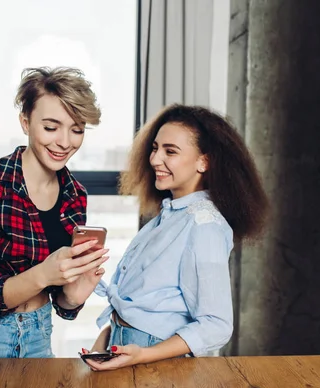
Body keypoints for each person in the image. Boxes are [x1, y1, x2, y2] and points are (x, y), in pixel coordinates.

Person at [82, 104, 269, 370]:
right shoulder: (171, 213)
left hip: (154, 363)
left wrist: (142, 355)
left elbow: (216, 325)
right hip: (126, 352)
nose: (155, 159)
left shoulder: (204, 224)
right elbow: (145, 303)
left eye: (170, 151)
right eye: (156, 148)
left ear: (204, 161)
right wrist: (105, 340)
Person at [0, 67, 109, 358]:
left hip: (38, 334)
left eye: (77, 129)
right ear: (25, 122)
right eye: (51, 127)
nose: (65, 142)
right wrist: (45, 272)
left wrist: (73, 296)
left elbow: (60, 301)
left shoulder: (75, 194)